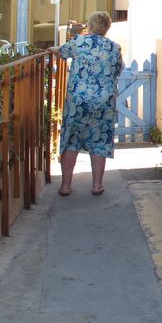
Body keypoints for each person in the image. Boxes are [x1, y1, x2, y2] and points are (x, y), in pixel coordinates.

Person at [49, 11, 123, 196]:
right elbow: (118, 69)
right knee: (99, 141)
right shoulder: (114, 47)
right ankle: (97, 185)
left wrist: (52, 50)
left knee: (71, 140)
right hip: (103, 103)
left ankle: (65, 186)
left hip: (78, 102)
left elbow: (61, 52)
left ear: (89, 26)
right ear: (107, 28)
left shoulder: (79, 41)